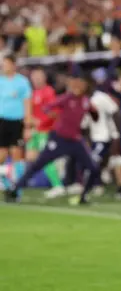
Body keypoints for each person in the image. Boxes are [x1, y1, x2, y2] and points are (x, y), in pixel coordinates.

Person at [4, 72, 100, 204]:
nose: (78, 87)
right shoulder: (66, 98)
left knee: (93, 168)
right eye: (75, 84)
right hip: (58, 139)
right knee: (37, 164)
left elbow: (94, 116)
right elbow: (47, 108)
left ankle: (83, 197)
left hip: (75, 140)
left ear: (85, 86)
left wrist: (95, 112)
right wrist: (53, 115)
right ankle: (15, 189)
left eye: (81, 85)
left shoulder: (85, 101)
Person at [25, 68, 65, 198]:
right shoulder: (34, 92)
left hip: (46, 131)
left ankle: (58, 185)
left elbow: (54, 112)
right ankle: (22, 182)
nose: (36, 79)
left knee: (45, 159)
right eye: (34, 77)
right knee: (30, 157)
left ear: (44, 78)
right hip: (36, 131)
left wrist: (40, 122)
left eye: (38, 76)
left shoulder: (49, 92)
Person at [0, 55, 32, 196]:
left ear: (13, 65)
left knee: (16, 155)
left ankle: (17, 190)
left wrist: (27, 126)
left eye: (6, 64)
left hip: (17, 122)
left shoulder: (22, 82)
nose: (4, 66)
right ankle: (6, 183)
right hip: (2, 121)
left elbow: (27, 103)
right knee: (1, 155)